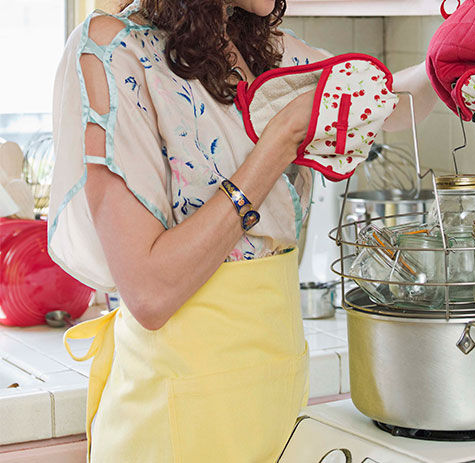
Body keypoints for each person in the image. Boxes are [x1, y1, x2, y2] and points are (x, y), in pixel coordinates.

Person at [48, 0, 437, 460]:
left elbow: (379, 103)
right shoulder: (114, 52)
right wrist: (280, 141)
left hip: (272, 404)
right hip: (173, 421)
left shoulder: (257, 49)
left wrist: (441, 70)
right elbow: (150, 293)